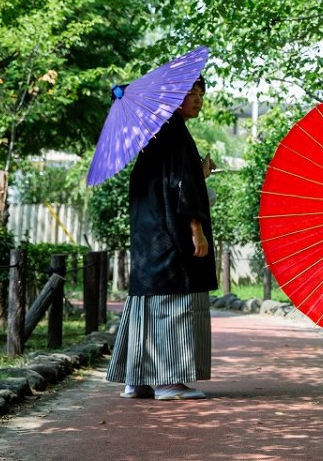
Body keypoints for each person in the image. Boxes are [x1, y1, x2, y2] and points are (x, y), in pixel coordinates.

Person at [106, 76, 218, 401]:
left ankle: (137, 379)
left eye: (200, 93)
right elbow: (181, 186)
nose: (198, 99)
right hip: (170, 237)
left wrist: (199, 173)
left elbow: (167, 183)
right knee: (173, 299)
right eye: (191, 93)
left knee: (146, 298)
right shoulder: (176, 134)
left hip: (147, 237)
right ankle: (168, 381)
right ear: (174, 100)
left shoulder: (151, 135)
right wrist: (196, 228)